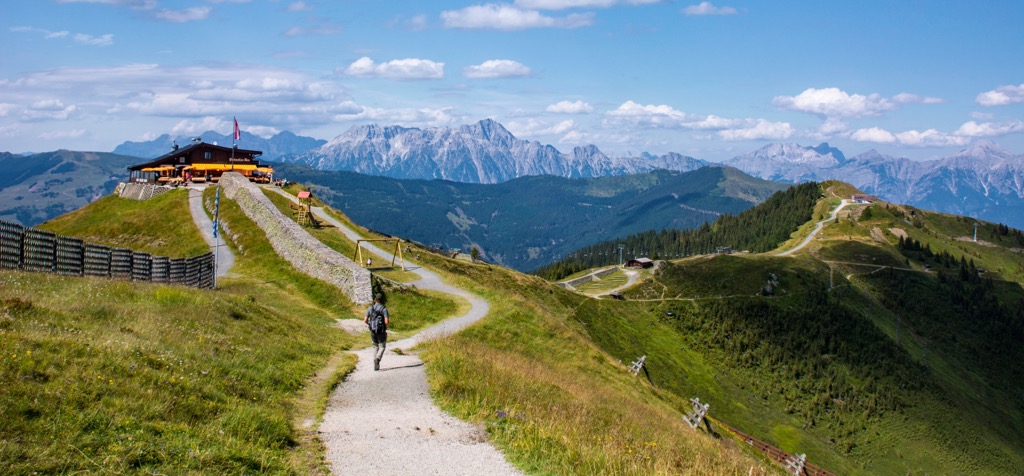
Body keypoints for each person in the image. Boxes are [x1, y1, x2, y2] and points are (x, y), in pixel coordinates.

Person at [363, 294, 390, 371]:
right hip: (381, 330)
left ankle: (375, 362)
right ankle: (378, 359)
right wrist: (384, 327)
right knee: (382, 346)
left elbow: (365, 320)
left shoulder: (370, 308)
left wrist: (370, 325)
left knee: (375, 346)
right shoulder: (384, 309)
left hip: (372, 330)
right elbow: (386, 321)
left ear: (375, 299)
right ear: (382, 299)